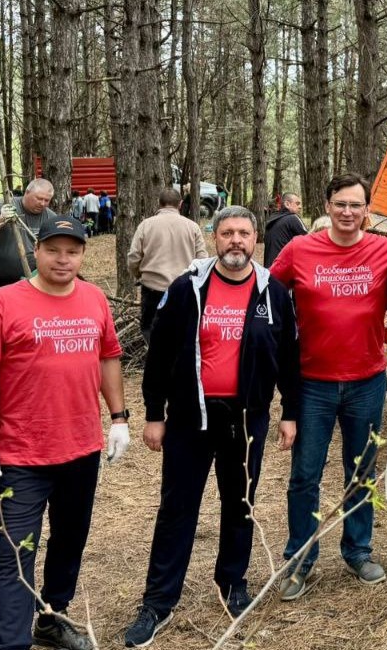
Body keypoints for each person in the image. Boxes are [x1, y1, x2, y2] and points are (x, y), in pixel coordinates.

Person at [122, 206, 301, 647]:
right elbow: (160, 357)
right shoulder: (188, 289)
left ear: (255, 238)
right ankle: (158, 602)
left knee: (239, 504)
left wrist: (290, 411)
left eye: (243, 233)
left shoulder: (272, 293)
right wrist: (154, 414)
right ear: (214, 238)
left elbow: (290, 359)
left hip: (246, 418)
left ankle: (232, 583)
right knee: (177, 509)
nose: (235, 241)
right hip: (189, 419)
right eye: (227, 233)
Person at [0, 215, 129, 650]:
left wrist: (119, 417)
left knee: (70, 540)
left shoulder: (94, 299)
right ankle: (12, 643)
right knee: (15, 553)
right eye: (53, 249)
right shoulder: (2, 303)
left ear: (82, 255)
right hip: (19, 455)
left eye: (72, 251)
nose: (62, 259)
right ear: (36, 251)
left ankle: (53, 616)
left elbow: (108, 356)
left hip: (80, 448)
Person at [270, 174, 387, 600]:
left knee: (361, 470)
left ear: (367, 210)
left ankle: (358, 551)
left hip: (367, 380)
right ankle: (300, 560)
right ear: (326, 205)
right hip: (312, 383)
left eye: (356, 205)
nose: (348, 212)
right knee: (305, 476)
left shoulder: (386, 251)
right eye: (340, 203)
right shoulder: (300, 250)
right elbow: (265, 296)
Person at [128, 187, 209, 341]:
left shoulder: (146, 225)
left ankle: (156, 363)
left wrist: (139, 274)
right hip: (184, 289)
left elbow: (133, 257)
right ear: (180, 204)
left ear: (160, 203)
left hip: (153, 288)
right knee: (181, 333)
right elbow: (203, 260)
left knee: (151, 332)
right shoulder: (192, 227)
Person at [0, 179, 57, 296]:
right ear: (27, 192)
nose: (42, 203)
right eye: (39, 198)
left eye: (46, 200)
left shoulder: (51, 218)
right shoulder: (3, 205)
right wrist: (1, 218)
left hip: (30, 280)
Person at [263, 192, 308, 267]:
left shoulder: (272, 220)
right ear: (287, 204)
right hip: (284, 272)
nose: (300, 207)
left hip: (269, 273)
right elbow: (309, 241)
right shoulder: (293, 218)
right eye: (297, 203)